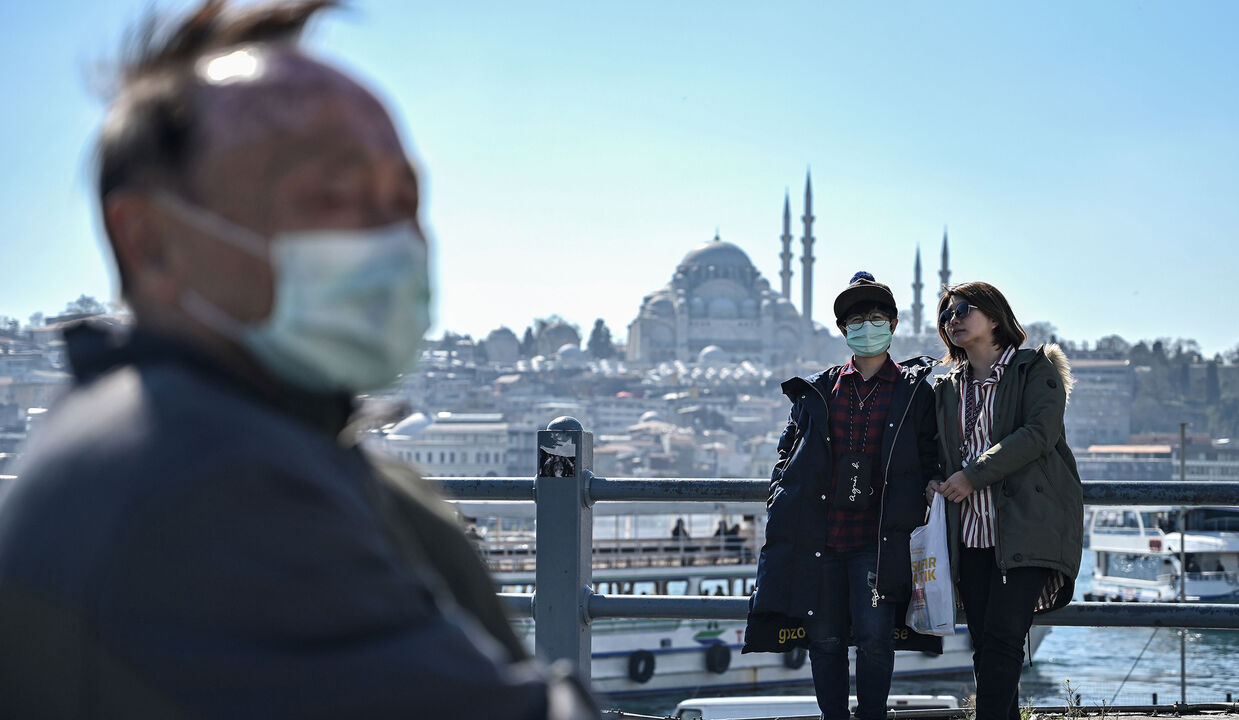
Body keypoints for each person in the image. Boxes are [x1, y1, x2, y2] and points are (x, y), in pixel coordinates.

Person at [0, 2, 596, 718]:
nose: (391, 239)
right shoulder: (213, 479)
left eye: (404, 199)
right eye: (331, 196)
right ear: (151, 242)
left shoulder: (171, 429)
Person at [744, 272, 944, 720]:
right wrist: (780, 491)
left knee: (875, 638)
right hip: (822, 538)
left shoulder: (915, 393)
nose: (866, 327)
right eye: (857, 320)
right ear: (843, 330)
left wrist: (931, 480)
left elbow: (932, 451)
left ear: (892, 325)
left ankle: (871, 715)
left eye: (876, 318)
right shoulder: (818, 390)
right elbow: (788, 450)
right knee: (826, 639)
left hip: (879, 540)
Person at [927, 281, 1083, 720]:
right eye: (945, 314)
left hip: (1024, 529)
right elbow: (941, 452)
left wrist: (972, 477)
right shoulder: (948, 387)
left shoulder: (1035, 369)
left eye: (962, 309)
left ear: (995, 317)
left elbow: (1038, 434)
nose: (952, 319)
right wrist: (936, 480)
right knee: (986, 643)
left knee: (1002, 638)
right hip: (971, 533)